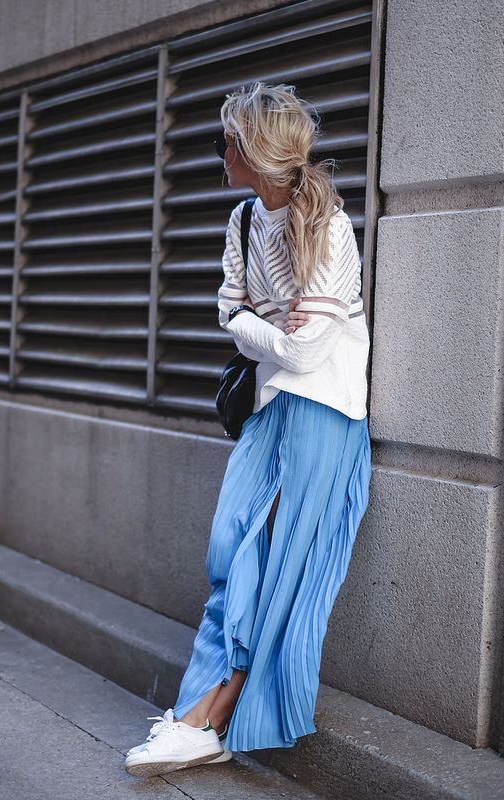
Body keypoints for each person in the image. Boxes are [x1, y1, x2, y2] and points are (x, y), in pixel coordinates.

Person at [125, 80, 372, 778]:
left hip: (323, 413)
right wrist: (265, 321)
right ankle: (204, 715)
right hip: (269, 409)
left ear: (251, 151)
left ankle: (202, 718)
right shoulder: (243, 220)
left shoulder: (329, 230)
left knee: (273, 573)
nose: (219, 151)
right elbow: (230, 315)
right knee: (232, 552)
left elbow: (301, 352)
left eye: (224, 140)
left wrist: (253, 324)